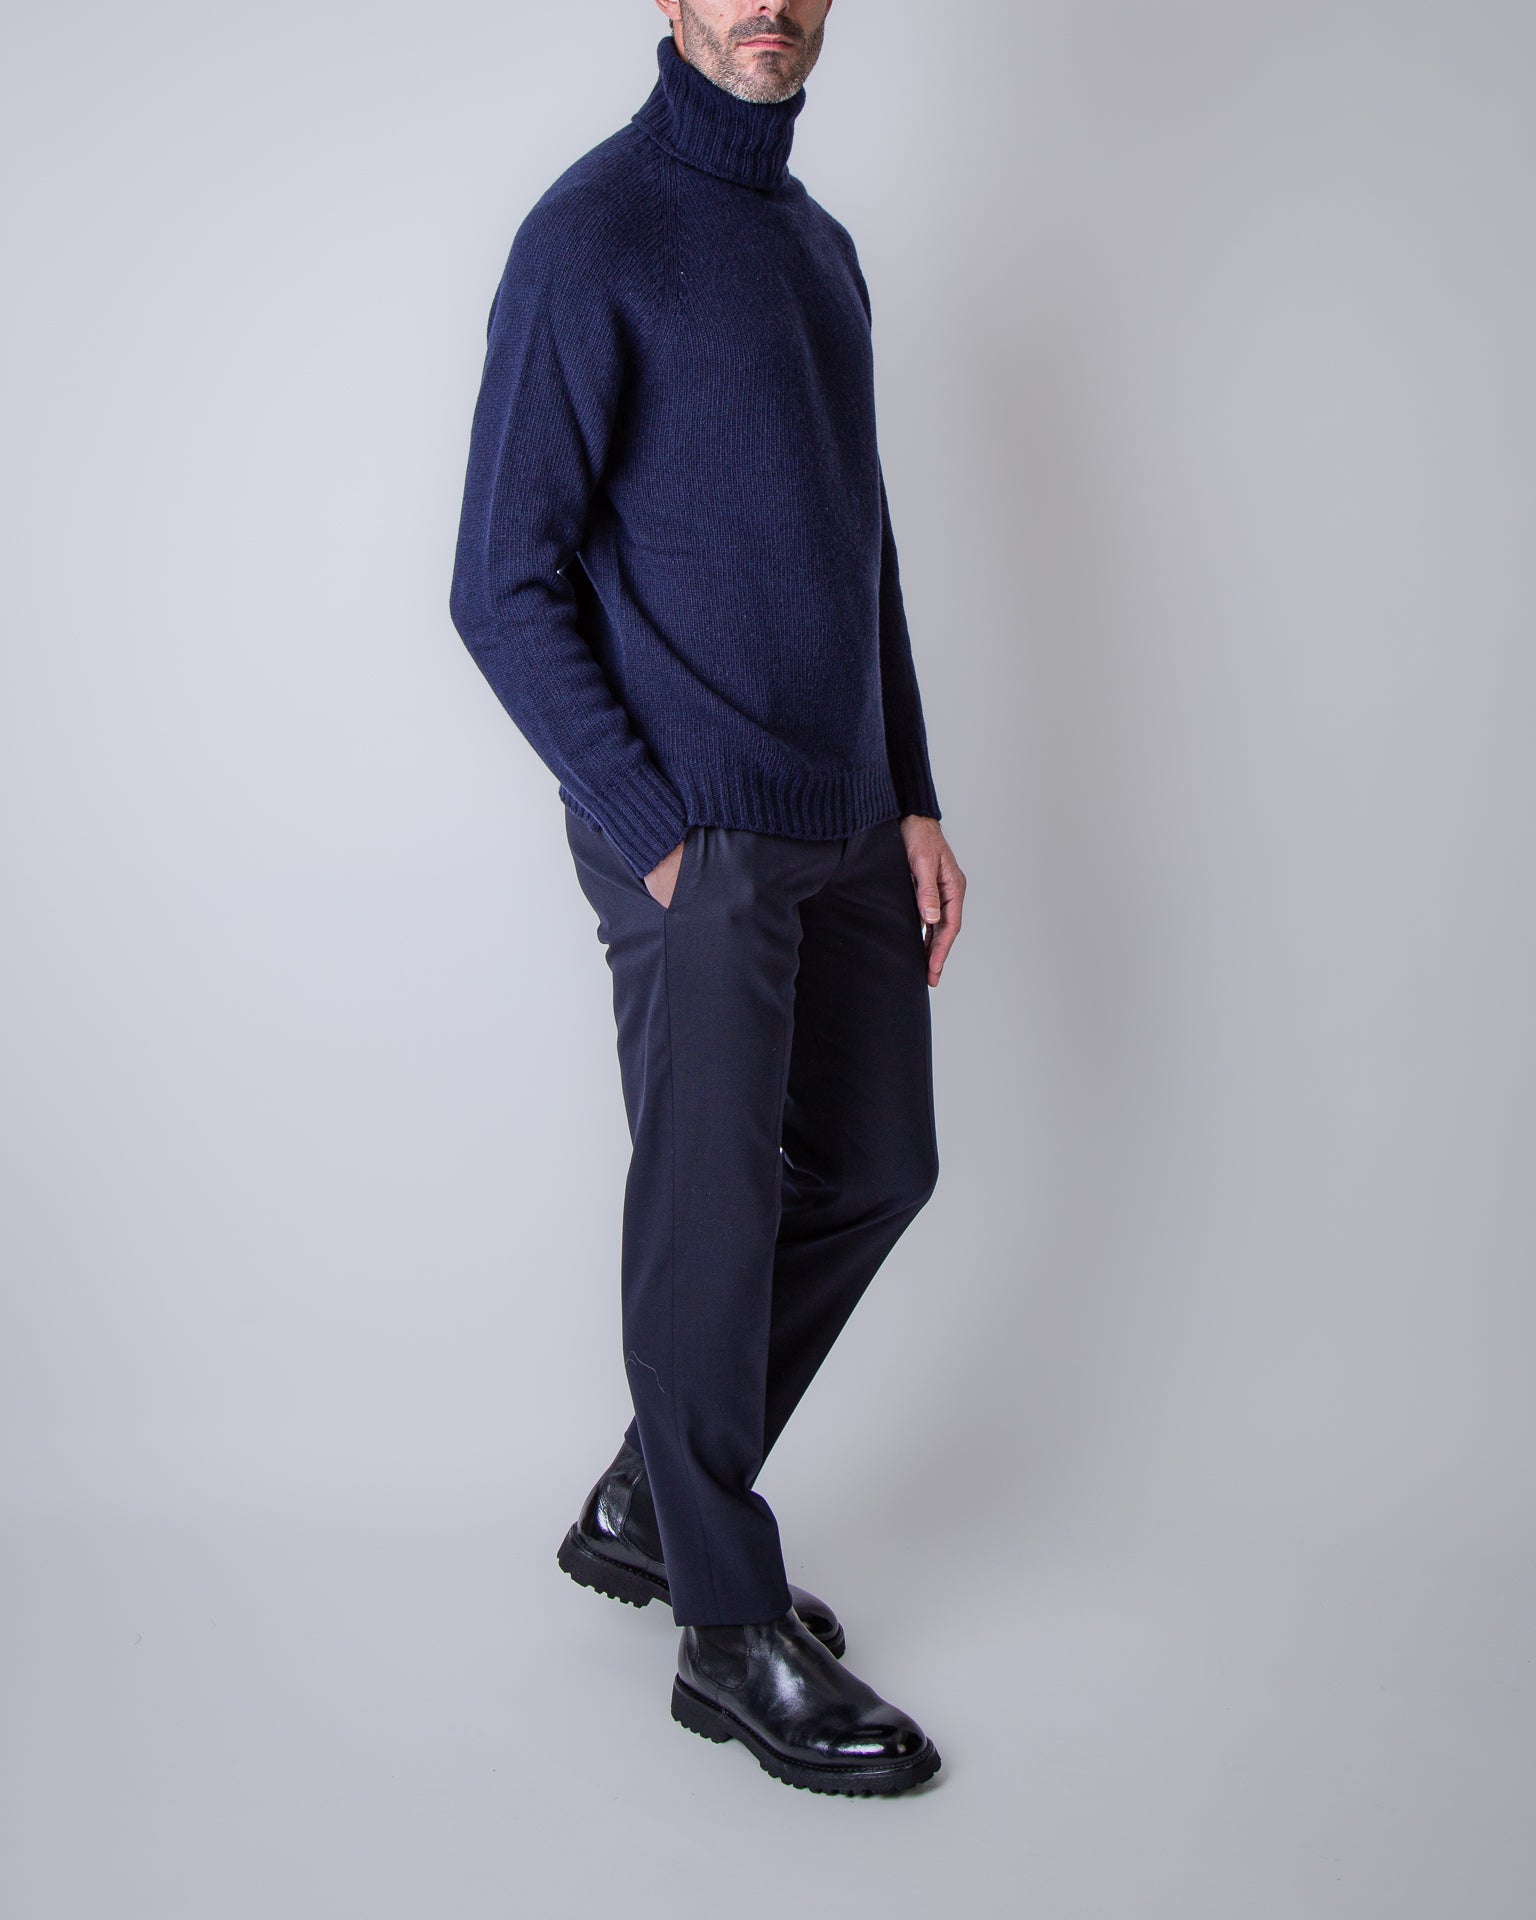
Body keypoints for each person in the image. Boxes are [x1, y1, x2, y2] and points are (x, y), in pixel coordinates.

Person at [448, 0, 965, 1797]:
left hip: (842, 816)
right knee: (713, 1214)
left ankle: (647, 1503)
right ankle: (726, 1631)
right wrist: (657, 830)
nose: (772, 4)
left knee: (880, 1168)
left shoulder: (822, 254)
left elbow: (861, 550)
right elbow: (497, 580)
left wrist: (911, 792)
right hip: (696, 837)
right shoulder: (592, 235)